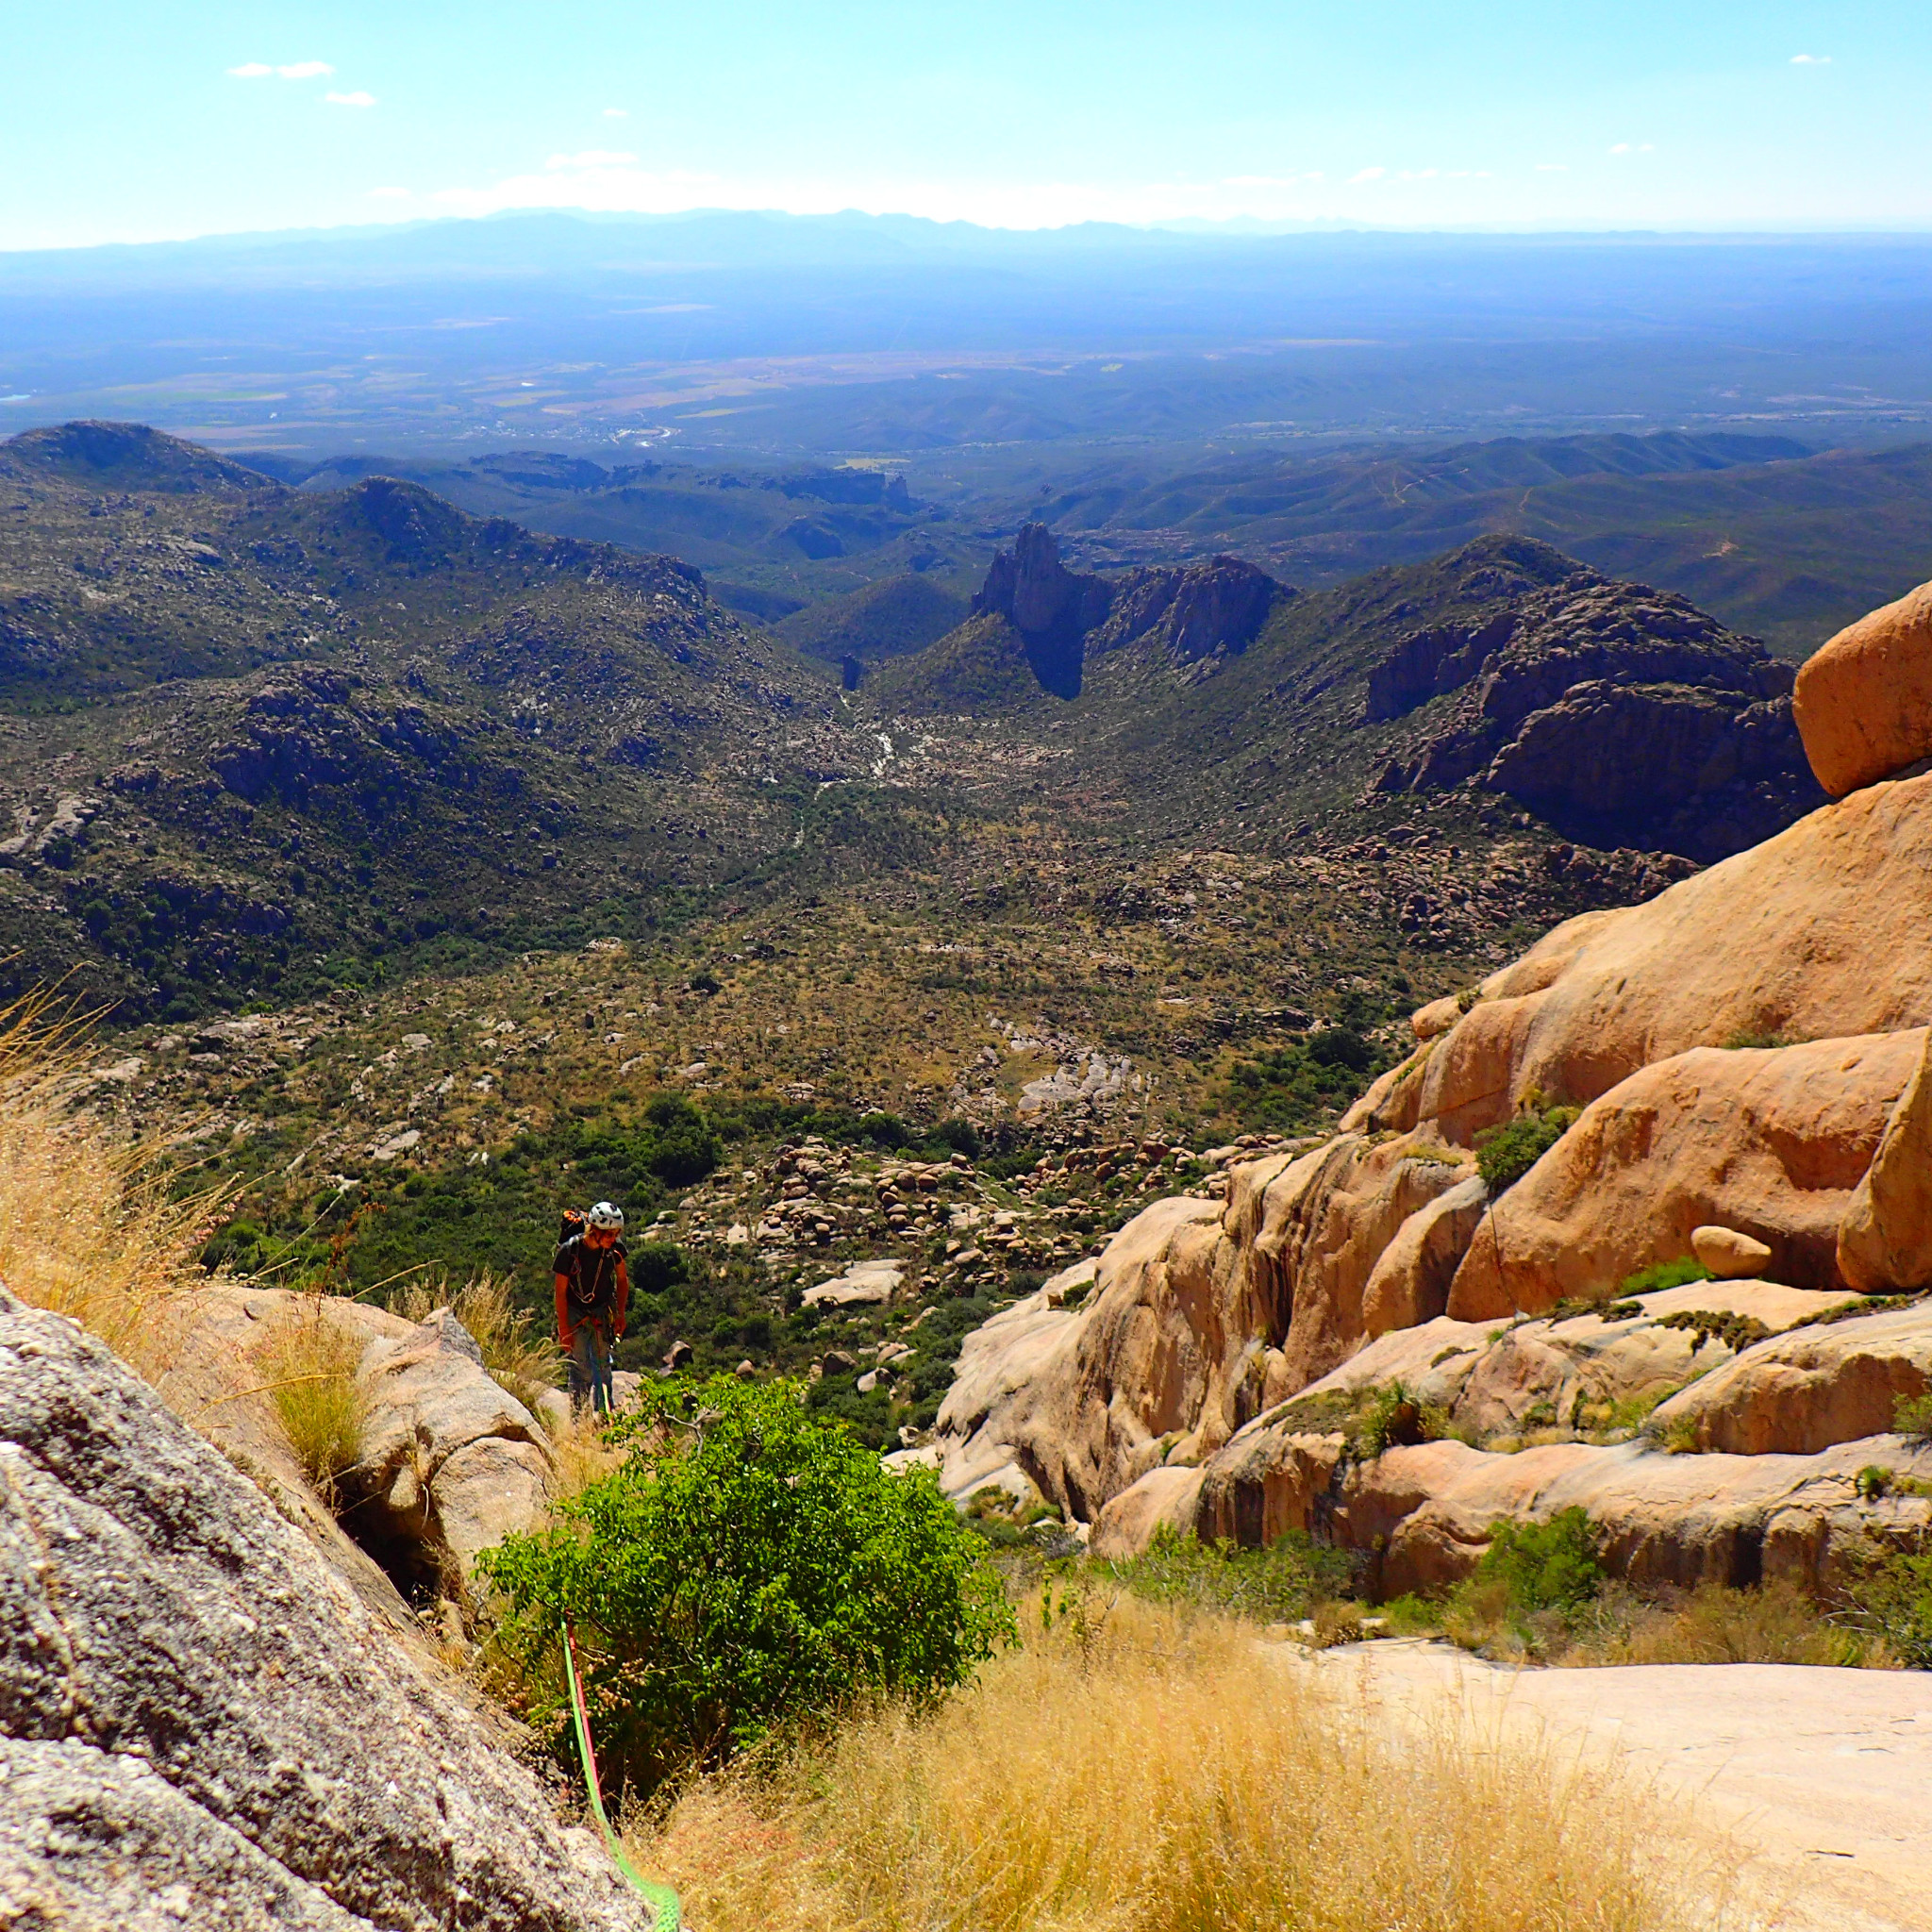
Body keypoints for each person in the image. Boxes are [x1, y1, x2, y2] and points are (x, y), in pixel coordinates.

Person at [555, 1200, 629, 1415]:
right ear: (594, 1230)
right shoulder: (570, 1251)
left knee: (603, 1364)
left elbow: (622, 1280)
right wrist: (564, 1329)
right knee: (580, 1368)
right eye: (608, 1234)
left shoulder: (614, 1250)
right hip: (575, 1312)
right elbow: (560, 1291)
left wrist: (620, 1314)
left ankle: (605, 1413)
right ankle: (580, 1418)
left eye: (615, 1234)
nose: (613, 1238)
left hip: (601, 1310)